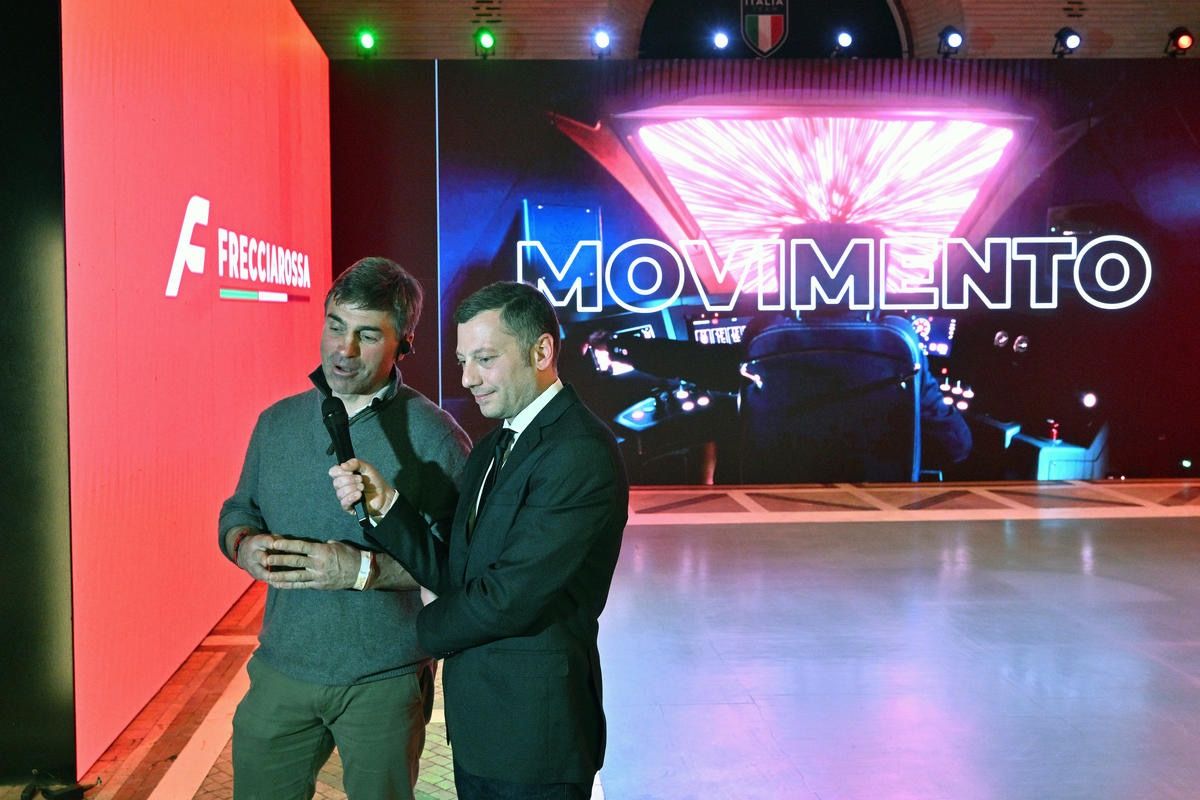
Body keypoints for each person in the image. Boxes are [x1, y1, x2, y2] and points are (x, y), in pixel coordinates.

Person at [323, 281, 628, 799]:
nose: (468, 379)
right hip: (482, 731)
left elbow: (509, 597)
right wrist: (388, 507)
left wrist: (417, 634)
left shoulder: (579, 452)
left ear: (541, 352)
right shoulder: (492, 448)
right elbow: (458, 574)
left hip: (537, 739)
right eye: (464, 361)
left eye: (485, 359)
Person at [218, 257, 470, 800]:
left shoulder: (437, 437)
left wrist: (360, 569)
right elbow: (238, 511)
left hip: (385, 678)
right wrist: (244, 545)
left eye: (367, 335)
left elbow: (459, 566)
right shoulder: (277, 423)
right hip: (282, 668)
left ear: (404, 344)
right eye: (335, 326)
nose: (344, 349)